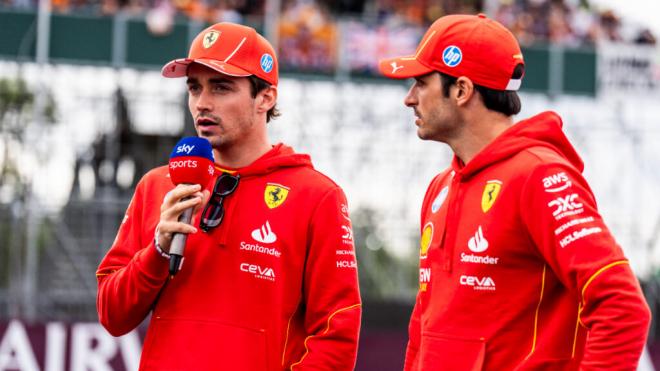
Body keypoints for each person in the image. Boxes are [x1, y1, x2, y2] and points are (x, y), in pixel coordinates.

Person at [379, 14, 651, 370]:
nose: (409, 98)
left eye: (420, 83)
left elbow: (622, 307)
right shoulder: (439, 187)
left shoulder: (539, 175)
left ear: (461, 90)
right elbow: (424, 325)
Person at [96, 22, 361, 371]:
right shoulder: (158, 185)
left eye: (221, 88)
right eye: (194, 88)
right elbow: (112, 315)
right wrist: (158, 250)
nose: (202, 104)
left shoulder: (318, 196)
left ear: (265, 97)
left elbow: (336, 334)